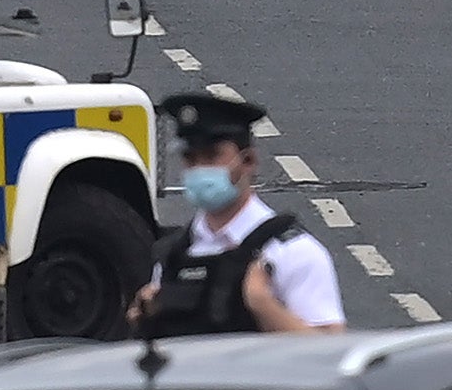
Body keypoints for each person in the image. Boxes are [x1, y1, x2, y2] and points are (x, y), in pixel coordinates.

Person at [131, 92, 344, 336]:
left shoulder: (292, 252)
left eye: (212, 156)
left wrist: (263, 306)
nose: (200, 169)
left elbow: (330, 352)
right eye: (191, 159)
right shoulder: (173, 256)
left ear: (249, 161)